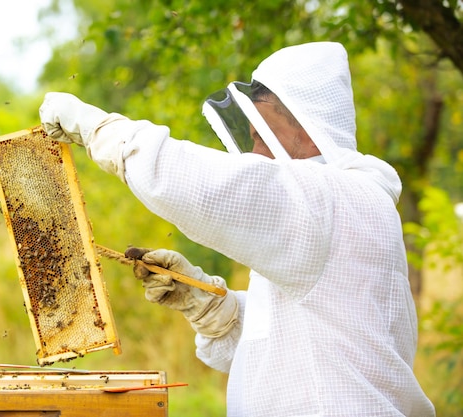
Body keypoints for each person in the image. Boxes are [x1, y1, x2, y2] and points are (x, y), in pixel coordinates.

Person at [39, 42, 435, 416]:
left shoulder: (335, 201)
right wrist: (213, 308)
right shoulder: (328, 213)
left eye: (261, 136)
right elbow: (293, 345)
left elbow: (200, 184)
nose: (257, 154)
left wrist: (102, 131)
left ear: (305, 125)